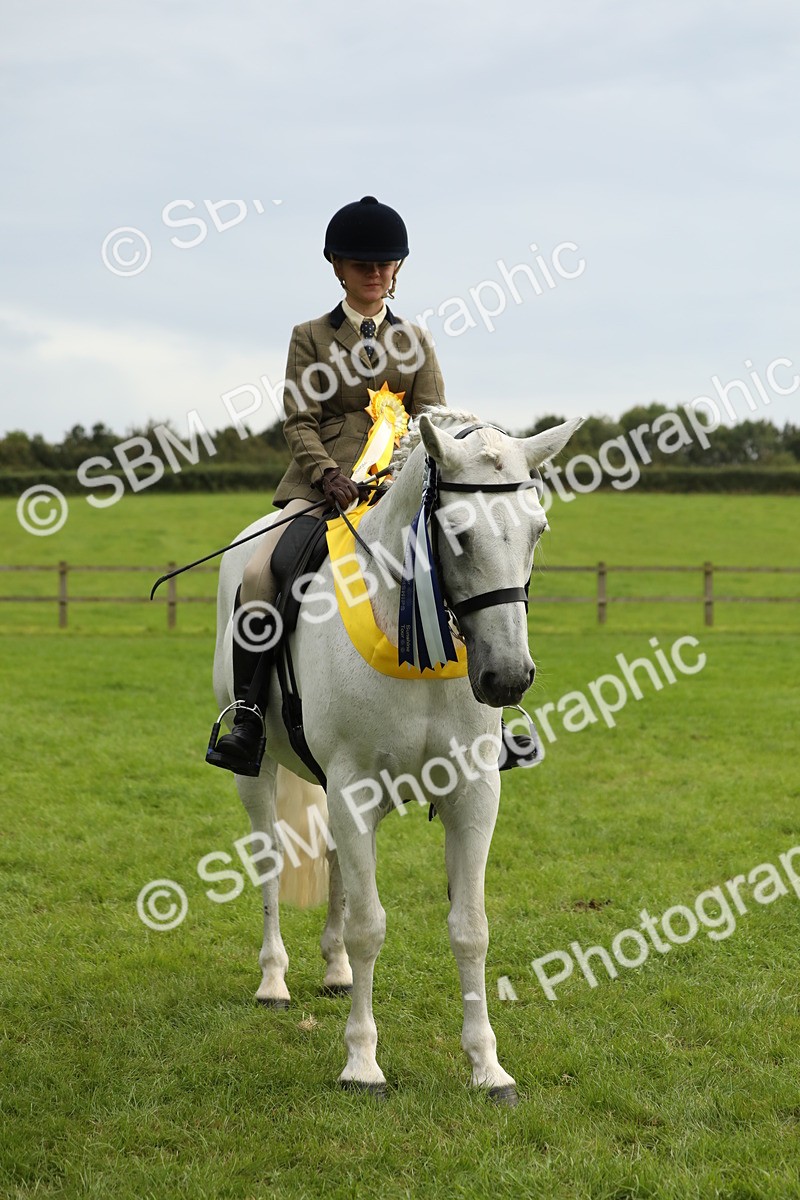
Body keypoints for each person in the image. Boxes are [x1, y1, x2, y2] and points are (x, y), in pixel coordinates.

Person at [208, 196, 539, 775]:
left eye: (385, 264)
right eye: (363, 263)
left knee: (479, 561)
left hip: (402, 488)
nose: (375, 273)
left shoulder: (416, 340)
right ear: (338, 266)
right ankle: (249, 714)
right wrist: (326, 475)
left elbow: (435, 419)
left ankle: (499, 716)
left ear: (397, 269)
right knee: (260, 572)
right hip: (322, 487)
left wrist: (406, 474)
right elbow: (298, 420)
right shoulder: (309, 336)